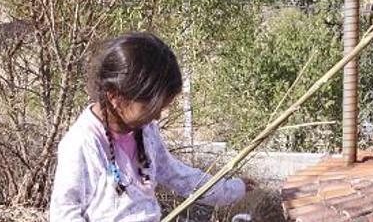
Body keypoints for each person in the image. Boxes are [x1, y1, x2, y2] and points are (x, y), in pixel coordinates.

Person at [50, 32, 246, 221]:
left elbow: (177, 175)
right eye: (151, 107)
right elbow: (64, 213)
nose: (158, 116)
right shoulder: (82, 143)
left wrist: (231, 189)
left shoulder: (145, 132)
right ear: (115, 96)